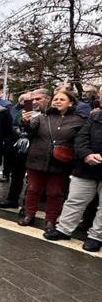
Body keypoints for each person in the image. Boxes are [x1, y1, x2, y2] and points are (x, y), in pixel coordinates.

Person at [19, 90, 85, 231]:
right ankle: (29, 215)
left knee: (55, 193)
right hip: (37, 159)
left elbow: (81, 140)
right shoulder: (43, 117)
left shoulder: (78, 120)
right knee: (32, 189)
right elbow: (29, 130)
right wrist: (25, 121)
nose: (58, 101)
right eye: (56, 99)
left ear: (71, 103)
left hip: (61, 162)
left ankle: (51, 220)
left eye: (62, 99)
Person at [43, 107, 102, 251]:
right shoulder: (95, 116)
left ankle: (96, 237)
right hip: (86, 166)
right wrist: (86, 154)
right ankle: (64, 229)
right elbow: (81, 137)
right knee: (75, 199)